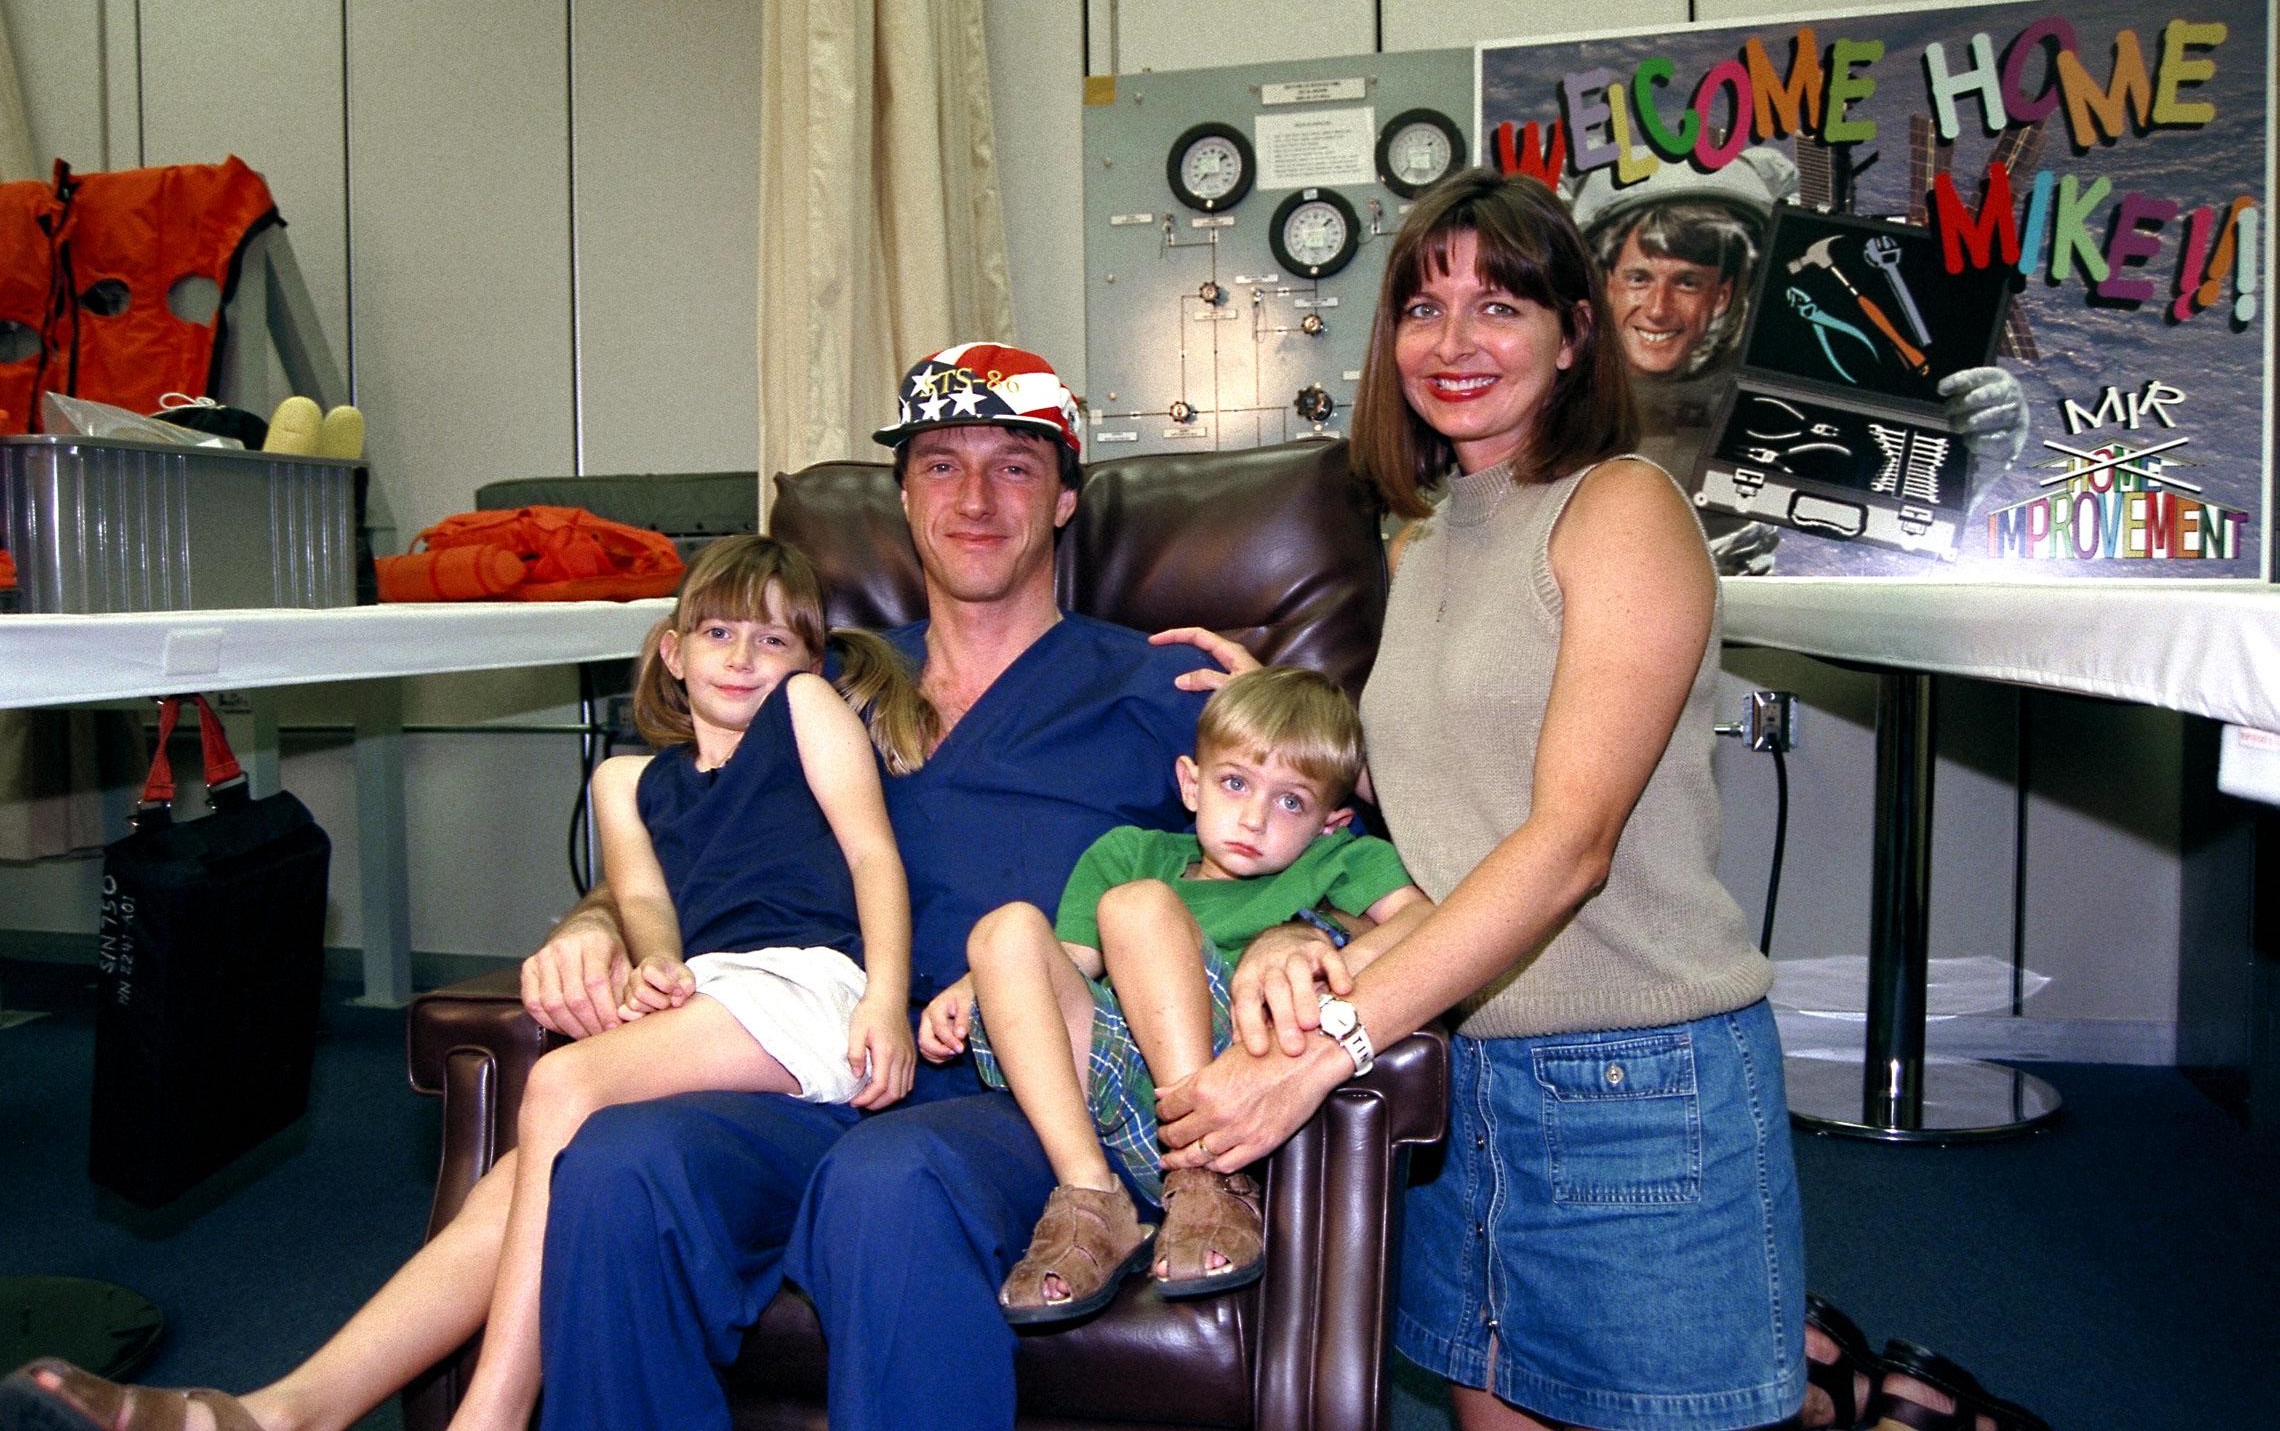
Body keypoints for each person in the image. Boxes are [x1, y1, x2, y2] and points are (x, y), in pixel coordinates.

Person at [1150, 169, 2046, 1431]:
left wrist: (1322, 1052)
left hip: (1635, 1079)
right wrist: (1283, 739)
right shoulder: (1423, 539)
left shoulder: (1621, 508)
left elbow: (1568, 843)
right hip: (1456, 1075)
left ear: (1575, 334)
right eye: (1424, 307)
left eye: (1499, 306)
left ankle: (1864, 1399)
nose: (1453, 342)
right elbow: (1446, 806)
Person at [0, 537, 929, 1431]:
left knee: (561, 1084)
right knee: (526, 1181)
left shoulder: (807, 711)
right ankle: (283, 1412)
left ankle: (490, 1411)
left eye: (774, 638)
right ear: (672, 653)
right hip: (716, 993)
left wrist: (886, 999)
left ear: (810, 660)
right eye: (719, 631)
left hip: (810, 988)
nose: (745, 656)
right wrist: (657, 963)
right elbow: (646, 897)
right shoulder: (626, 782)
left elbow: (871, 855)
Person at [521, 341, 1228, 1431]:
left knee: (890, 1182)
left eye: (1015, 467)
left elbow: (1312, 847)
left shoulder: (1153, 684)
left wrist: (1293, 926)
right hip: (819, 1056)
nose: (976, 498)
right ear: (903, 497)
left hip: (1027, 1091)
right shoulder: (820, 681)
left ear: (1064, 501)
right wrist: (595, 921)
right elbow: (681, 828)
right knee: (619, 1163)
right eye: (942, 465)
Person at [922, 666, 1426, 1323]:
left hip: (1235, 1079)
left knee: (1136, 908)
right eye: (1235, 783)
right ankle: (1091, 1197)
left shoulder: (1341, 862)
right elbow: (1069, 961)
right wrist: (977, 983)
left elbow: (1424, 920)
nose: (1253, 818)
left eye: (1290, 803)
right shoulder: (1131, 853)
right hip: (1116, 1093)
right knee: (1003, 930)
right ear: (1192, 783)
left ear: (1332, 823)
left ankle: (1206, 1176)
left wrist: (1330, 953)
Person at [1570, 154, 2033, 577]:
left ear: (1724, 294)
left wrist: (1976, 459)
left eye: (1688, 282)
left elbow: (1894, 527)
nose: (1658, 309)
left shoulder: (1784, 386)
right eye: (1638, 278)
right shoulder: (1559, 390)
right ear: (1601, 282)